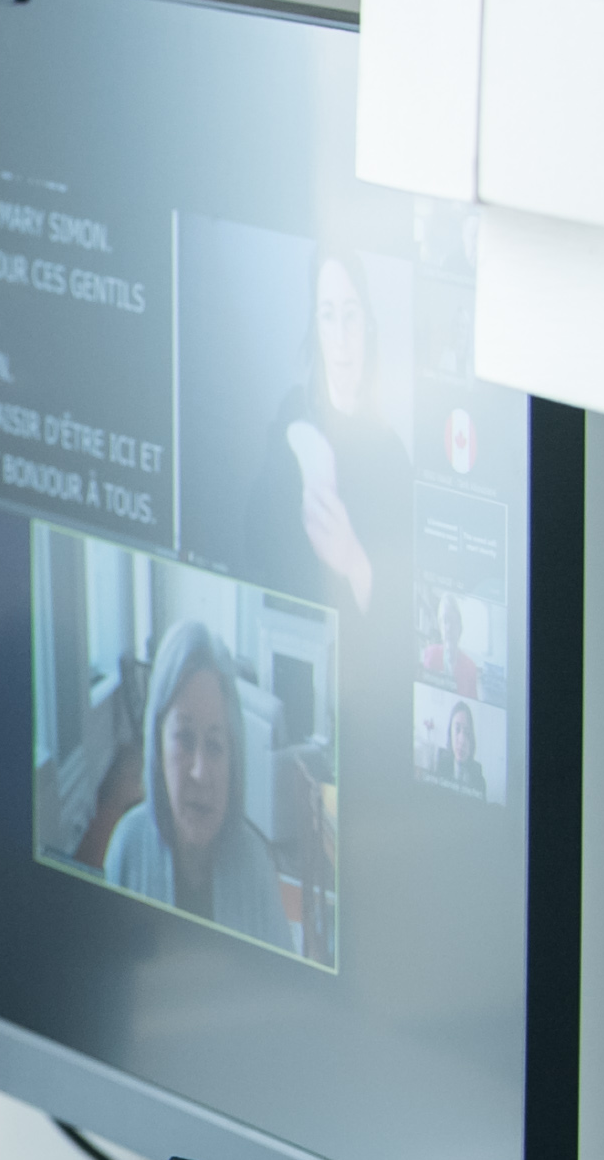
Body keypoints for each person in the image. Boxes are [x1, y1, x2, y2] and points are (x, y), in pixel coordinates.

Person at [100, 619, 296, 953]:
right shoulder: (127, 846)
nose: (201, 772)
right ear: (157, 744)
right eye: (185, 738)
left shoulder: (257, 866)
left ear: (233, 758)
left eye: (216, 746)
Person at [252, 254, 415, 628]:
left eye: (351, 315)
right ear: (315, 327)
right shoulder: (291, 413)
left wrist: (353, 560)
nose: (340, 336)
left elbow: (400, 622)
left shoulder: (392, 458)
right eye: (328, 316)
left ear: (368, 324)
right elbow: (254, 543)